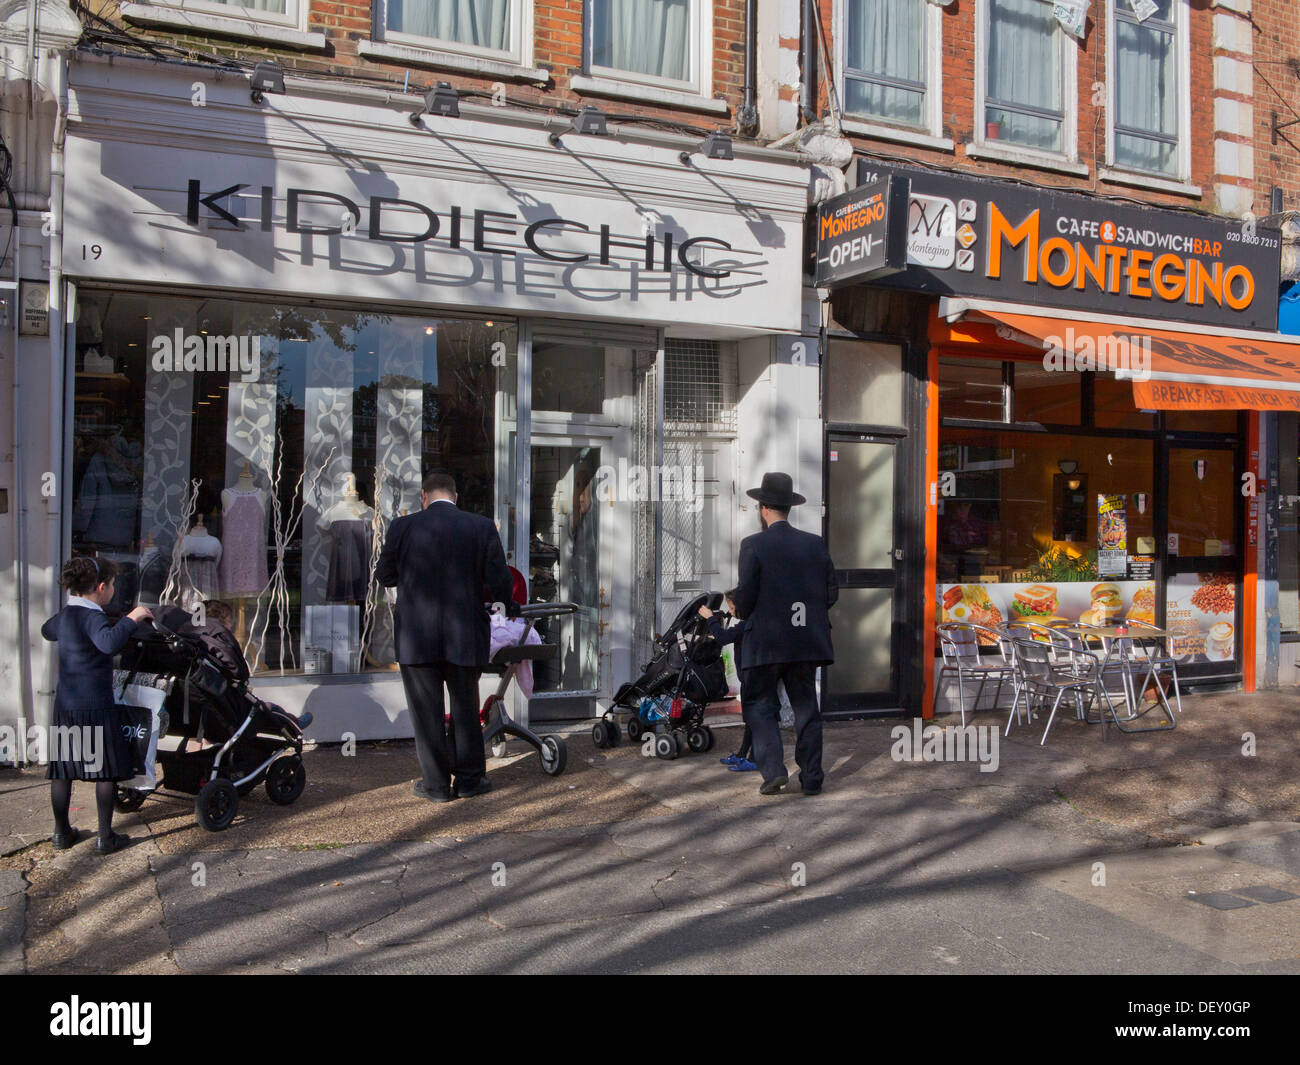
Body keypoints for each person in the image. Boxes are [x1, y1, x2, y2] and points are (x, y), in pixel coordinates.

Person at [376, 471, 517, 803]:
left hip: (416, 636)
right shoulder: (480, 526)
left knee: (426, 713)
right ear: (456, 497)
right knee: (466, 708)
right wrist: (505, 608)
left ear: (423, 496)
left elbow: (385, 574)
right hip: (464, 633)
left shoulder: (403, 527)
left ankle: (436, 785)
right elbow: (499, 581)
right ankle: (470, 781)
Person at [732, 472, 837, 796]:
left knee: (760, 706)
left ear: (763, 508)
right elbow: (830, 593)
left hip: (765, 645)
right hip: (804, 642)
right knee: (806, 708)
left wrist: (739, 608)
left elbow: (746, 599)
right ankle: (813, 778)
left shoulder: (753, 545)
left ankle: (774, 771)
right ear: (788, 507)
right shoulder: (814, 544)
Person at [42, 556, 153, 854]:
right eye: (114, 584)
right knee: (103, 770)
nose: (114, 589)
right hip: (96, 705)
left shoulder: (67, 615)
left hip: (67, 705)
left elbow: (47, 631)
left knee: (63, 771)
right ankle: (106, 837)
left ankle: (61, 833)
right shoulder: (94, 617)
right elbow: (108, 643)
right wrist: (134, 617)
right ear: (102, 587)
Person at [699, 589, 757, 772]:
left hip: (752, 678)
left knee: (755, 720)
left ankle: (754, 758)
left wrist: (710, 618)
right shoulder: (748, 623)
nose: (731, 611)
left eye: (732, 608)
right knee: (750, 720)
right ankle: (743, 755)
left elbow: (723, 638)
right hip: (748, 678)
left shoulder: (745, 625)